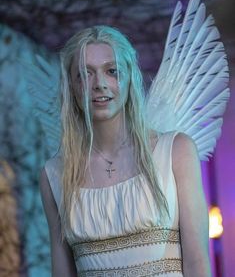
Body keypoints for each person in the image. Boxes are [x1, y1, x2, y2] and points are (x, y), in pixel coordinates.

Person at [40, 25, 211, 276]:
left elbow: (198, 263)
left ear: (130, 76)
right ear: (72, 87)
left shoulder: (176, 151)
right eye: (85, 74)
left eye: (112, 71)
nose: (99, 84)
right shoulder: (54, 175)